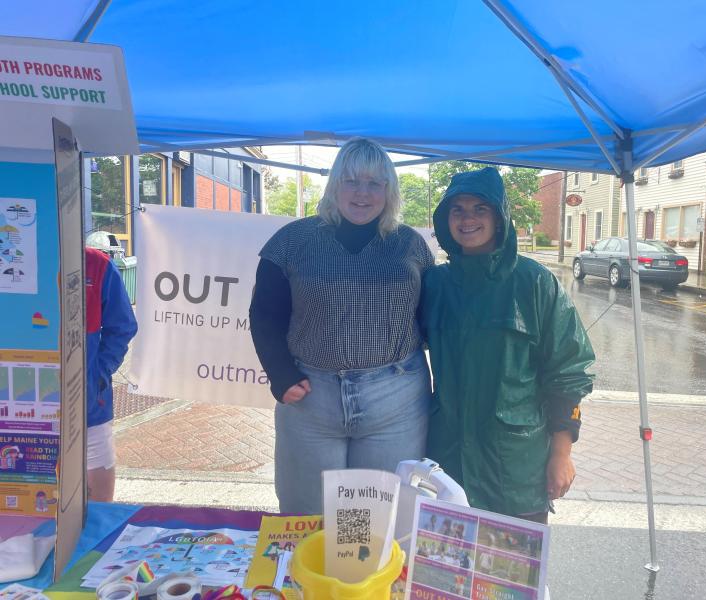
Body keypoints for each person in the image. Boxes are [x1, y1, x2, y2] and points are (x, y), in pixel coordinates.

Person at [249, 138, 434, 514]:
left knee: (377, 521)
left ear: (389, 190)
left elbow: (431, 317)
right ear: (334, 185)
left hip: (395, 399)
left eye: (374, 183)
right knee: (305, 517)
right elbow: (264, 315)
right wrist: (280, 373)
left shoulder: (410, 246)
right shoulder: (291, 242)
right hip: (311, 398)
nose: (362, 194)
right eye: (351, 181)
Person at [420, 167, 595, 522]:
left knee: (512, 571)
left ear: (500, 218)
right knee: (446, 570)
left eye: (479, 209)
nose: (467, 219)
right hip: (448, 458)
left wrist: (561, 454)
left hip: (516, 468)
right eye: (458, 210)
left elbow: (568, 375)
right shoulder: (435, 284)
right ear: (445, 219)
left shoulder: (534, 284)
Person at [85, 246, 138, 501]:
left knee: (97, 511)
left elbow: (122, 326)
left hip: (89, 410)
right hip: (19, 413)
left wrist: (98, 374)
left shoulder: (97, 264)